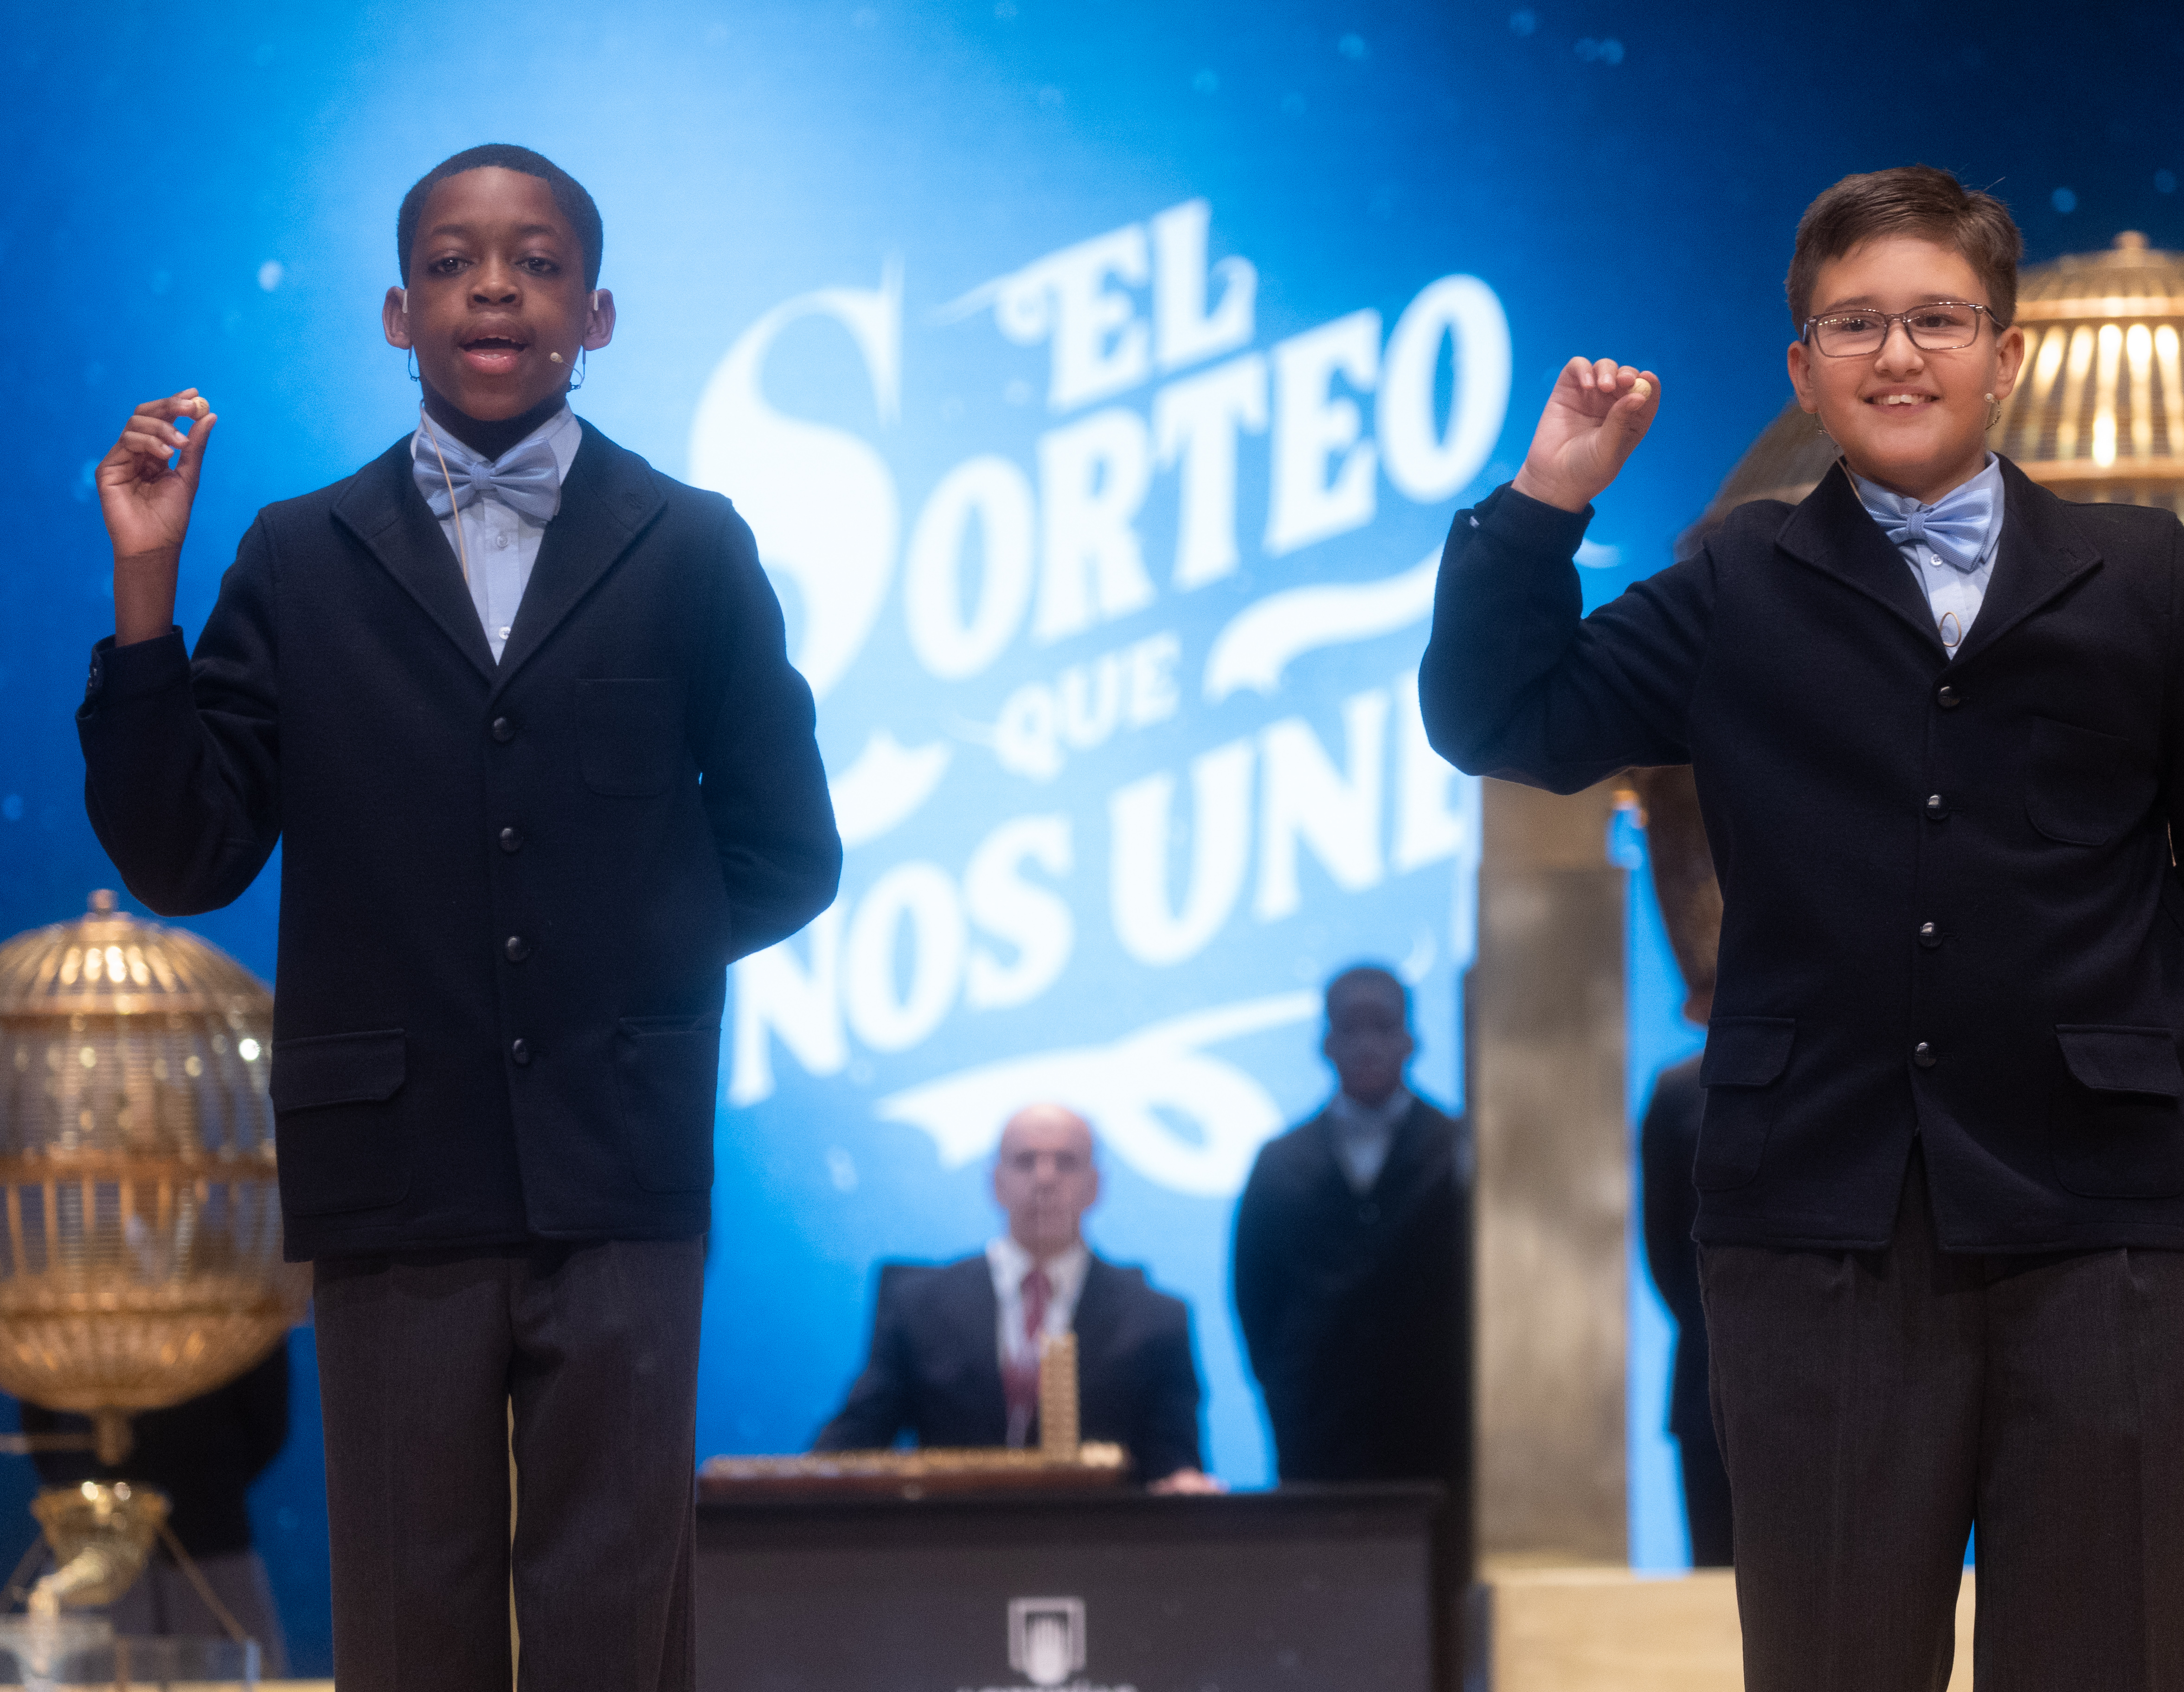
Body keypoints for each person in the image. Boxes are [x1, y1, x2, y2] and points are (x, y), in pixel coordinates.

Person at [1418, 166, 2184, 1690]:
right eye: (1855, 325)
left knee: (2110, 1657)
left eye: (1935, 320)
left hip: (2097, 1222)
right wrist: (1547, 500)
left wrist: (2151, 1031)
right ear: (1803, 369)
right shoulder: (1734, 578)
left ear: (2007, 353)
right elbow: (1499, 716)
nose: (1897, 356)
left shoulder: (2142, 580)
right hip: (1813, 1223)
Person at [77, 144, 840, 1692]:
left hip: (621, 1170)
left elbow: (788, 849)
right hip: (393, 1169)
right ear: (395, 310)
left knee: (616, 1618)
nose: (495, 284)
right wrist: (144, 591)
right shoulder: (296, 554)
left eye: (537, 258)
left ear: (599, 311)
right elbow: (184, 853)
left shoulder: (691, 544)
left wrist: (625, 965)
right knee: (409, 1622)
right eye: (453, 258)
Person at [1232, 966, 1471, 1683]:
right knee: (1323, 1626)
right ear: (1324, 1041)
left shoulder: (1462, 1150)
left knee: (1439, 1627)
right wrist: (1289, 1395)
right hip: (1318, 1445)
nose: (1366, 1041)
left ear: (1412, 1038)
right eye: (1349, 1025)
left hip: (1441, 1444)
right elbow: (1253, 1298)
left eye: (1383, 1023)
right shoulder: (1278, 1163)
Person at [818, 1104, 1216, 1492]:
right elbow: (853, 1444)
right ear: (995, 1182)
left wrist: (1184, 1485)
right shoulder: (919, 1306)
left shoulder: (1156, 1318)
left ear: (1095, 1185)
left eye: (1065, 1161)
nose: (1045, 1178)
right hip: (951, 1544)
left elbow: (1174, 1460)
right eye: (1026, 1161)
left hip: (1097, 1547)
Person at [20, 1346, 293, 1669]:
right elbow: (36, 1407)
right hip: (91, 1545)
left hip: (209, 1539)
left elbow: (265, 1411)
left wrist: (209, 1482)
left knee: (234, 1671)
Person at [1638, 1050, 1732, 1570]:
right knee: (1715, 1574)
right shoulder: (1678, 1089)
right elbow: (1663, 1248)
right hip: (1708, 1363)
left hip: (1841, 1370)